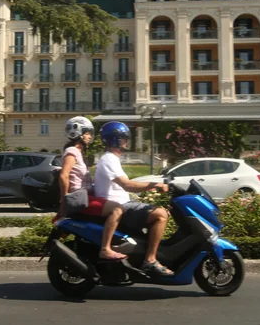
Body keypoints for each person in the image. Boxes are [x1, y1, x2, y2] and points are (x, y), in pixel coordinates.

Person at [94, 121, 173, 276]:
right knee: (161, 215)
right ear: (116, 139)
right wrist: (154, 185)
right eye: (124, 138)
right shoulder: (108, 159)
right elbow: (127, 185)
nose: (127, 141)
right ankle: (150, 261)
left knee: (162, 212)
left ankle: (143, 252)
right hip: (120, 206)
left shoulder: (112, 159)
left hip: (123, 204)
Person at [57, 116, 127, 261]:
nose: (90, 137)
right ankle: (105, 249)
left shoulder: (79, 153)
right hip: (79, 197)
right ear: (77, 132)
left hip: (86, 195)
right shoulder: (72, 151)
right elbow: (64, 176)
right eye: (87, 133)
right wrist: (65, 201)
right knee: (117, 209)